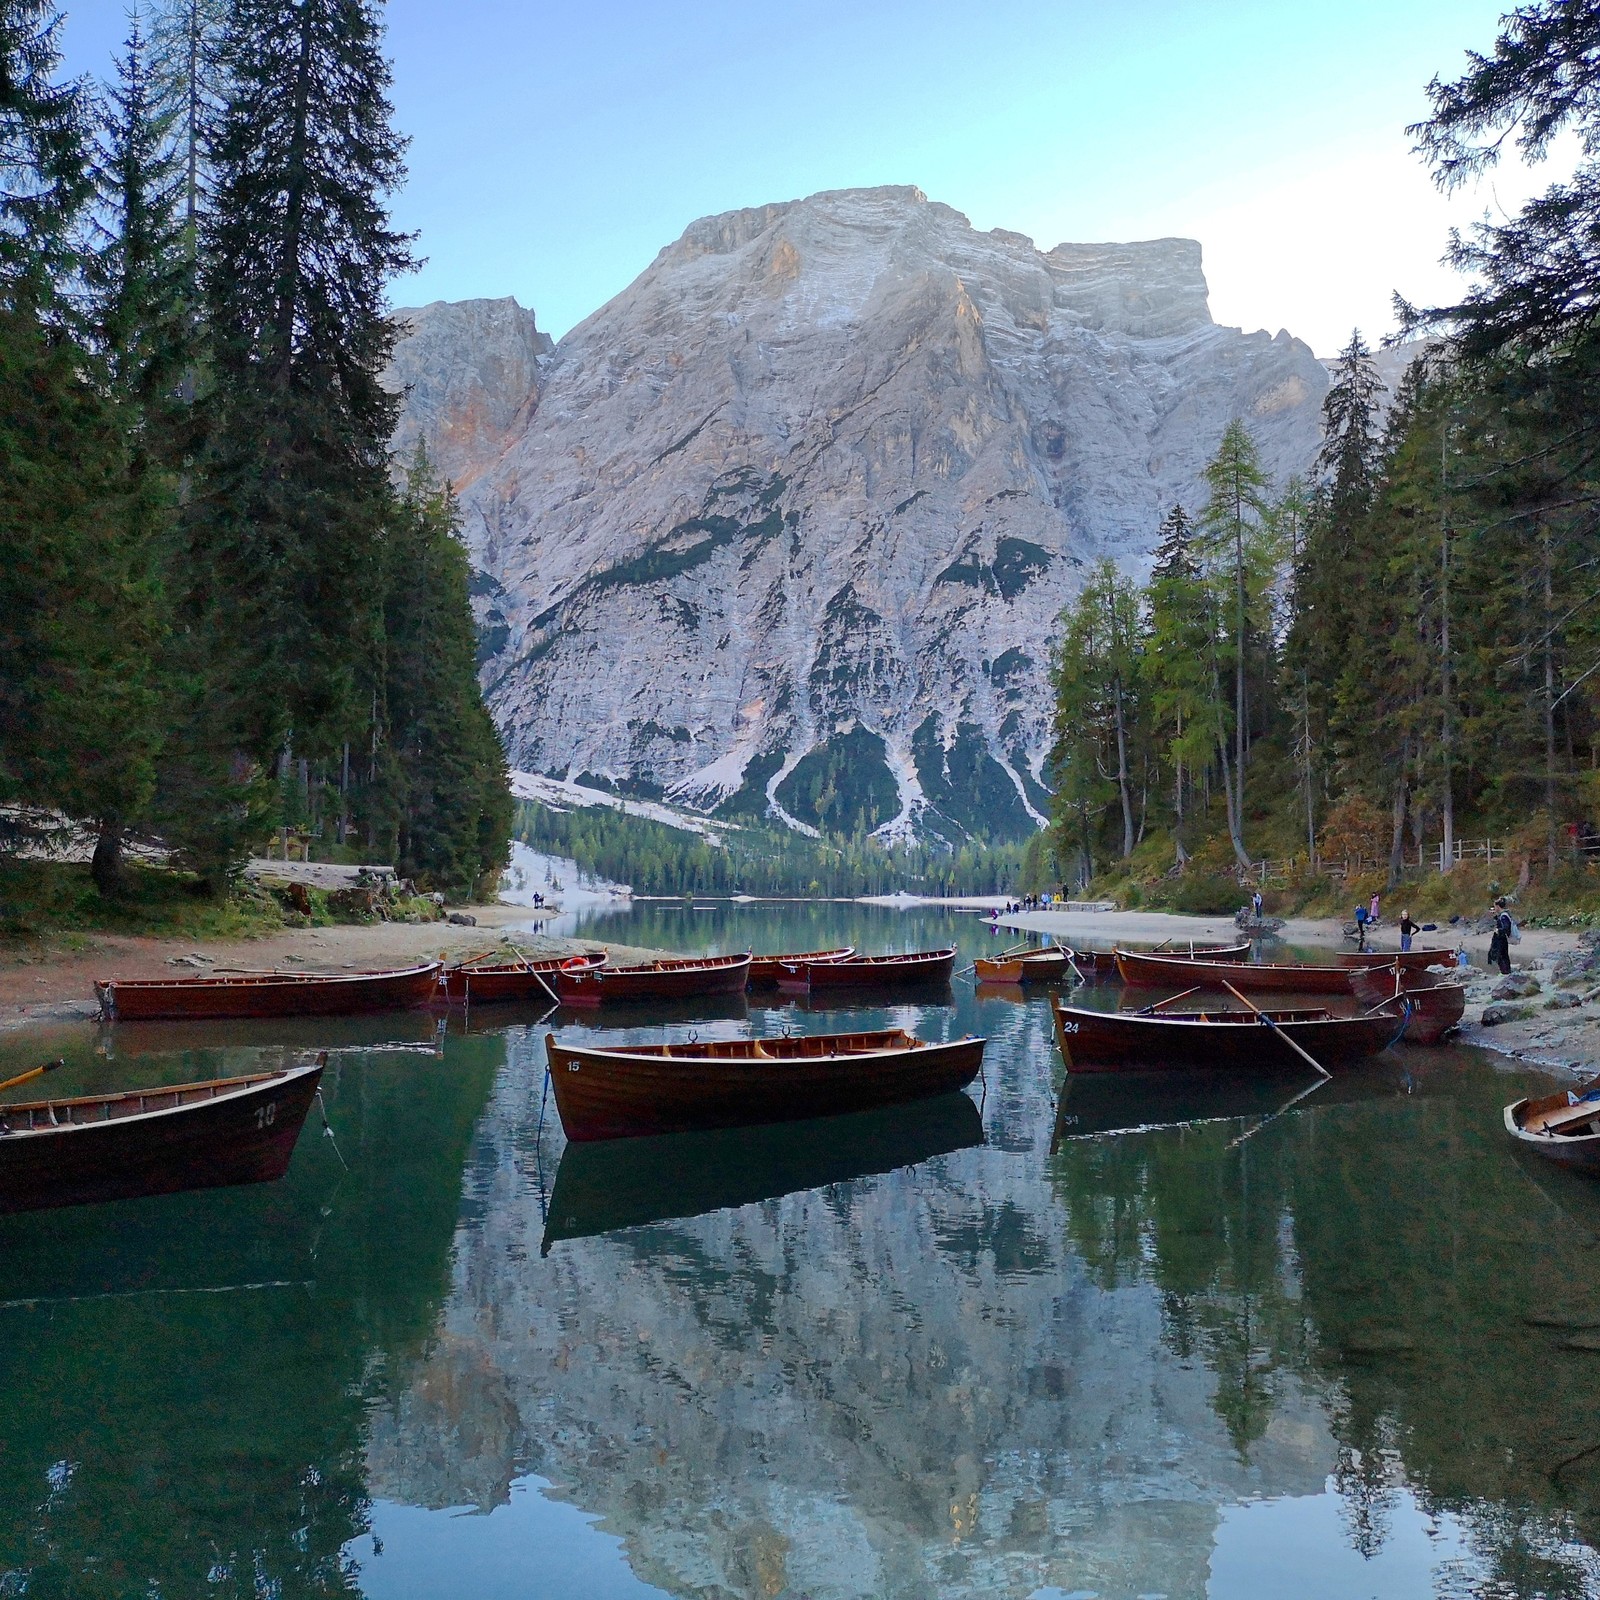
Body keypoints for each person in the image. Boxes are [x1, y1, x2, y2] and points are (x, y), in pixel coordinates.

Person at [1488, 897, 1514, 976]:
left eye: (1495, 906)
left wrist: (1498, 931)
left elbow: (1506, 927)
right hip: (1501, 939)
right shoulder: (1503, 915)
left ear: (1498, 906)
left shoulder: (1503, 916)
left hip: (1501, 940)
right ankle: (1506, 972)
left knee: (1501, 956)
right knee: (1503, 956)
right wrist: (1495, 916)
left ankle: (1505, 973)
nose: (1494, 908)